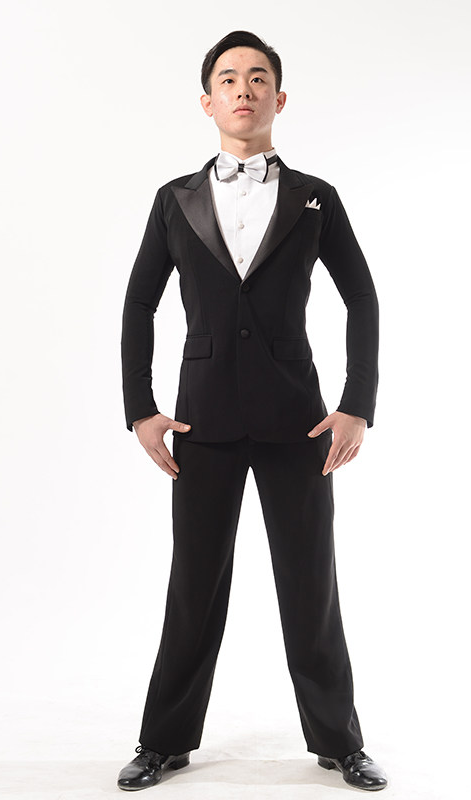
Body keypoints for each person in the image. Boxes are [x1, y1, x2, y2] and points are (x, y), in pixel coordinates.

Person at [118, 30, 386, 792]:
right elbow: (139, 304)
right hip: (199, 425)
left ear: (279, 97)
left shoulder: (315, 197)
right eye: (229, 79)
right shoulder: (173, 200)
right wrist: (141, 408)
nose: (244, 89)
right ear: (208, 102)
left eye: (258, 77)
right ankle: (163, 742)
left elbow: (362, 297)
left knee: (311, 588)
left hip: (299, 424)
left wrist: (356, 404)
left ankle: (339, 742)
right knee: (193, 588)